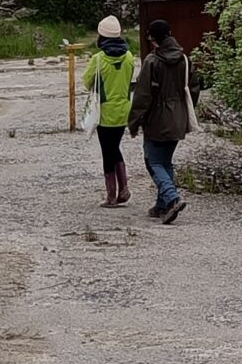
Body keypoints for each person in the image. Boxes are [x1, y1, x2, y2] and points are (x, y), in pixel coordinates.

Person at [128, 18, 195, 223]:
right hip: (178, 118)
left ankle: (172, 198)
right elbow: (193, 88)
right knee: (165, 161)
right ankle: (161, 206)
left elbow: (143, 96)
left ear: (153, 39)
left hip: (157, 118)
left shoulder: (152, 61)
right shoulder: (184, 59)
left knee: (153, 161)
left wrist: (134, 121)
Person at [83, 16, 137, 207]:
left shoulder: (98, 59)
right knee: (114, 147)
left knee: (108, 151)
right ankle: (123, 189)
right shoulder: (129, 57)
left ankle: (112, 196)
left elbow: (86, 82)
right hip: (124, 110)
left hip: (105, 112)